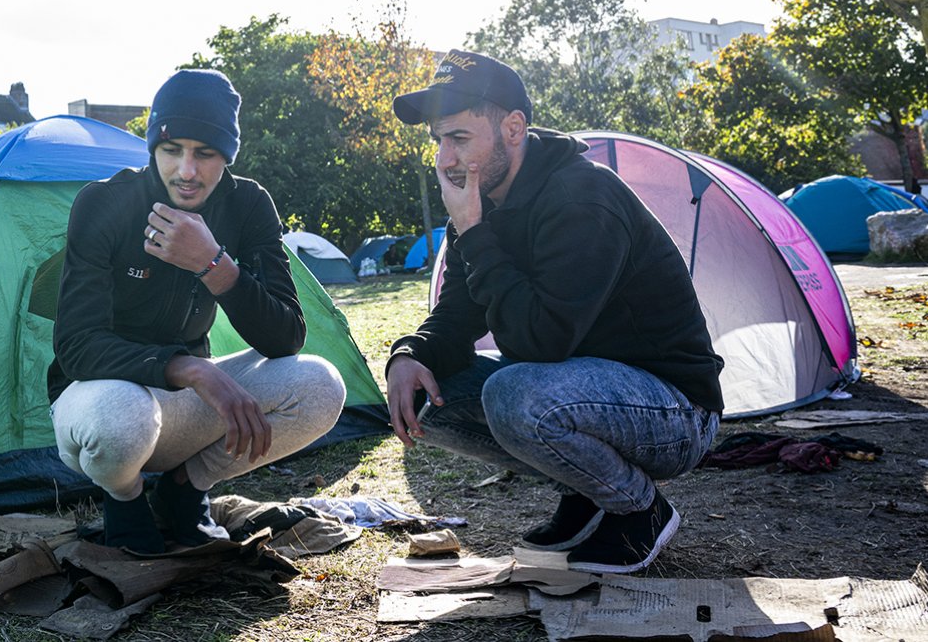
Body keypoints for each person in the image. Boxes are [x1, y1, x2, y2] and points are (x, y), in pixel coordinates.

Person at [384, 50, 723, 573]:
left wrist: (475, 231)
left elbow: (542, 342)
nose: (446, 159)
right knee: (432, 392)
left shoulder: (580, 197)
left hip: (674, 412)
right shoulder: (481, 200)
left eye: (460, 138)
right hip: (582, 393)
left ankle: (640, 509)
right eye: (439, 141)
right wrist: (408, 355)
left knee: (514, 392)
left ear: (514, 128)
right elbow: (457, 315)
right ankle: (586, 491)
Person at [48, 69, 347, 553]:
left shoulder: (248, 204)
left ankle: (184, 490)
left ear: (226, 156)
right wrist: (190, 368)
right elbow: (76, 347)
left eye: (204, 153)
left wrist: (213, 265)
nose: (186, 171)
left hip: (178, 411)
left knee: (321, 385)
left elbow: (286, 337)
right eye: (171, 150)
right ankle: (124, 498)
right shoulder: (104, 203)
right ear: (152, 149)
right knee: (123, 417)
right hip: (99, 403)